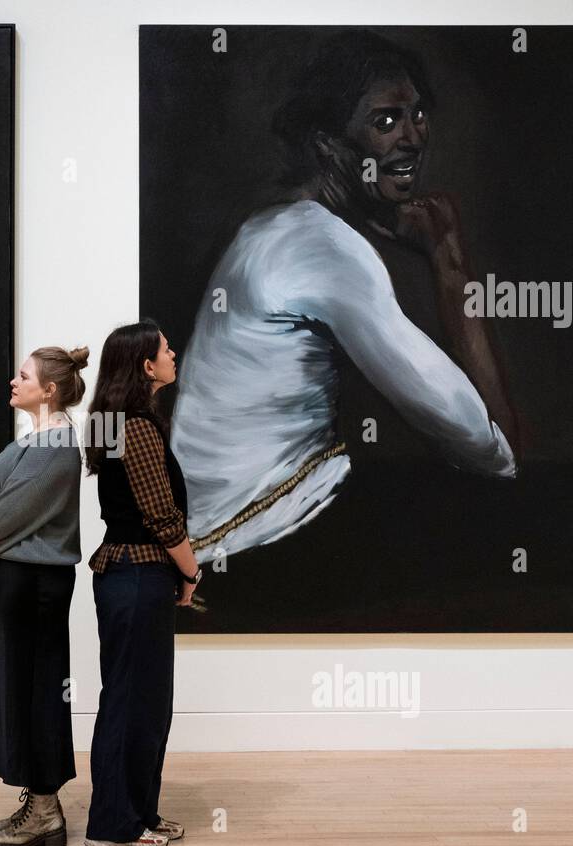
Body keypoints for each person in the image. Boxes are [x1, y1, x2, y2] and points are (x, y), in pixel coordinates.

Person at [170, 29, 520, 571]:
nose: (413, 138)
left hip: (219, 530)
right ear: (326, 144)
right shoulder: (320, 245)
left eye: (418, 114)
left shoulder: (269, 228)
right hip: (258, 540)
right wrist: (449, 260)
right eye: (385, 122)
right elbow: (486, 447)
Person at [0, 346, 89, 846]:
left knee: (38, 689)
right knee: (23, 686)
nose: (14, 382)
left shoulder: (58, 446)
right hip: (21, 583)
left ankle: (46, 812)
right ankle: (37, 804)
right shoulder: (31, 441)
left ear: (49, 389)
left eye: (24, 375)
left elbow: (7, 511)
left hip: (38, 585)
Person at [82, 320, 198, 846]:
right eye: (166, 349)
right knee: (132, 701)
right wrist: (191, 572)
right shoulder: (137, 428)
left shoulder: (126, 424)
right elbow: (162, 517)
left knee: (145, 702)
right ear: (147, 367)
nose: (174, 353)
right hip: (136, 576)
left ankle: (139, 813)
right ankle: (114, 825)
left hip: (134, 576)